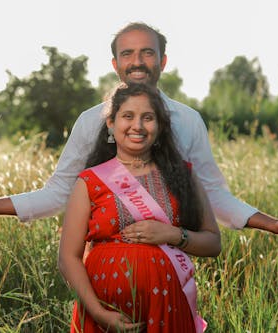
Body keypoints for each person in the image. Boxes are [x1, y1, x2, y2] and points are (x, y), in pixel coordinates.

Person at [0, 22, 278, 234]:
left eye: (147, 52)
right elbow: (57, 194)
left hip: (169, 267)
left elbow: (214, 196)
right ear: (116, 64)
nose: (137, 61)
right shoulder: (90, 121)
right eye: (127, 54)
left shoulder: (188, 120)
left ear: (163, 61)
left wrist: (271, 222)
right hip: (102, 271)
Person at [59, 82, 220, 333]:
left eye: (148, 117)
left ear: (160, 126)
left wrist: (172, 235)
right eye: (128, 116)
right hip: (102, 312)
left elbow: (213, 244)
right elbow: (68, 257)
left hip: (167, 307)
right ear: (111, 123)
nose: (138, 126)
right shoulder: (90, 181)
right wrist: (100, 314)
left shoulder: (184, 176)